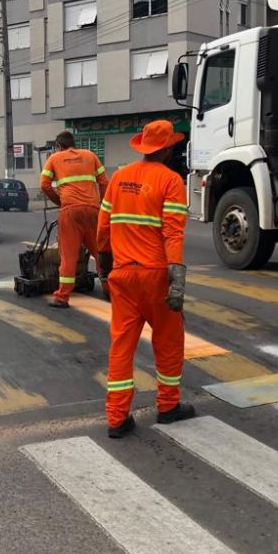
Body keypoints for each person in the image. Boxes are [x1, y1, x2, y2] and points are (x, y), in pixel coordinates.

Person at [97, 120, 194, 439]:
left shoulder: (120, 177)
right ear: (166, 149)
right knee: (167, 342)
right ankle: (167, 407)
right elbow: (173, 232)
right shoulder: (171, 181)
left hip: (123, 275)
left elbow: (103, 227)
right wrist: (176, 277)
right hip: (156, 275)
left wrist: (104, 268)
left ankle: (116, 417)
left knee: (121, 346)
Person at [40, 130, 109, 309]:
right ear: (74, 143)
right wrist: (101, 204)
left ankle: (62, 297)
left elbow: (44, 184)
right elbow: (104, 182)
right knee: (101, 252)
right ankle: (110, 289)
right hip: (93, 210)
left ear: (58, 146)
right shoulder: (90, 155)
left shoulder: (54, 159)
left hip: (70, 212)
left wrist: (60, 201)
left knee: (69, 255)